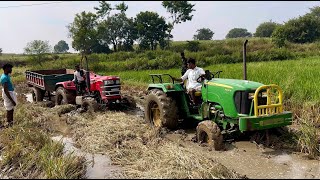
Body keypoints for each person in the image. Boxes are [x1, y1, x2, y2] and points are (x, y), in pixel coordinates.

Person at [1, 63, 17, 128]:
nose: (11, 69)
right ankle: (9, 123)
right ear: (5, 69)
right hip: (8, 94)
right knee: (9, 109)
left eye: (11, 68)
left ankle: (11, 122)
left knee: (11, 109)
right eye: (9, 68)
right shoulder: (4, 77)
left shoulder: (6, 75)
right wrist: (12, 100)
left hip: (9, 93)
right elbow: (6, 91)